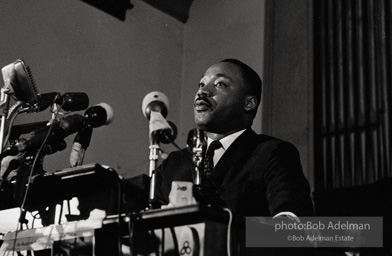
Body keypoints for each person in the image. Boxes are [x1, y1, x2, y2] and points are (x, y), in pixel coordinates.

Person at [154, 59, 314, 255]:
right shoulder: (174, 163)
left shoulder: (272, 153)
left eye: (220, 84)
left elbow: (292, 227)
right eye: (202, 84)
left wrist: (218, 233)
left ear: (249, 103)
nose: (203, 92)